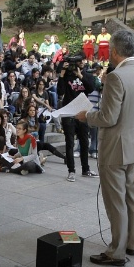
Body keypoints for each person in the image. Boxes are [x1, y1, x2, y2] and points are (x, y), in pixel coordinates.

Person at [76, 30, 134, 266]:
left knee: (116, 201)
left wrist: (86, 116)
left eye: (109, 50)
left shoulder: (116, 77)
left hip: (115, 149)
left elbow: (108, 117)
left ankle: (116, 252)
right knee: (132, 198)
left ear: (116, 52)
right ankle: (132, 243)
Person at [57, 54, 97, 182]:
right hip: (69, 113)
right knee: (70, 143)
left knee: (84, 142)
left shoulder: (86, 74)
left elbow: (91, 88)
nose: (79, 64)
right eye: (77, 62)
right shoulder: (66, 75)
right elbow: (60, 92)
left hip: (82, 112)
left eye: (81, 61)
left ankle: (85, 169)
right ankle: (71, 170)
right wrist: (62, 74)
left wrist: (80, 76)